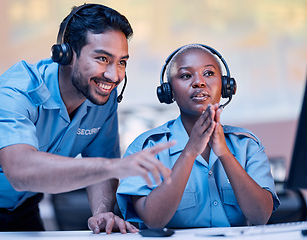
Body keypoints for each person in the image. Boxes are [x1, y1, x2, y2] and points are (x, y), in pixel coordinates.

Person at [0, 3, 174, 233]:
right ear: (66, 54)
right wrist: (117, 166)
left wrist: (102, 211)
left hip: (21, 206)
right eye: (103, 59)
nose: (114, 76)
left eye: (121, 62)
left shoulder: (102, 97)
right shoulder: (16, 89)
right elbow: (20, 171)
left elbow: (102, 160)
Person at [117, 44, 280, 229]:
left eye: (209, 73)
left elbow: (260, 216)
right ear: (169, 91)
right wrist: (190, 151)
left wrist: (225, 154)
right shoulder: (146, 148)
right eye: (186, 76)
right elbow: (153, 220)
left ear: (226, 86)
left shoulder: (247, 145)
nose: (199, 82)